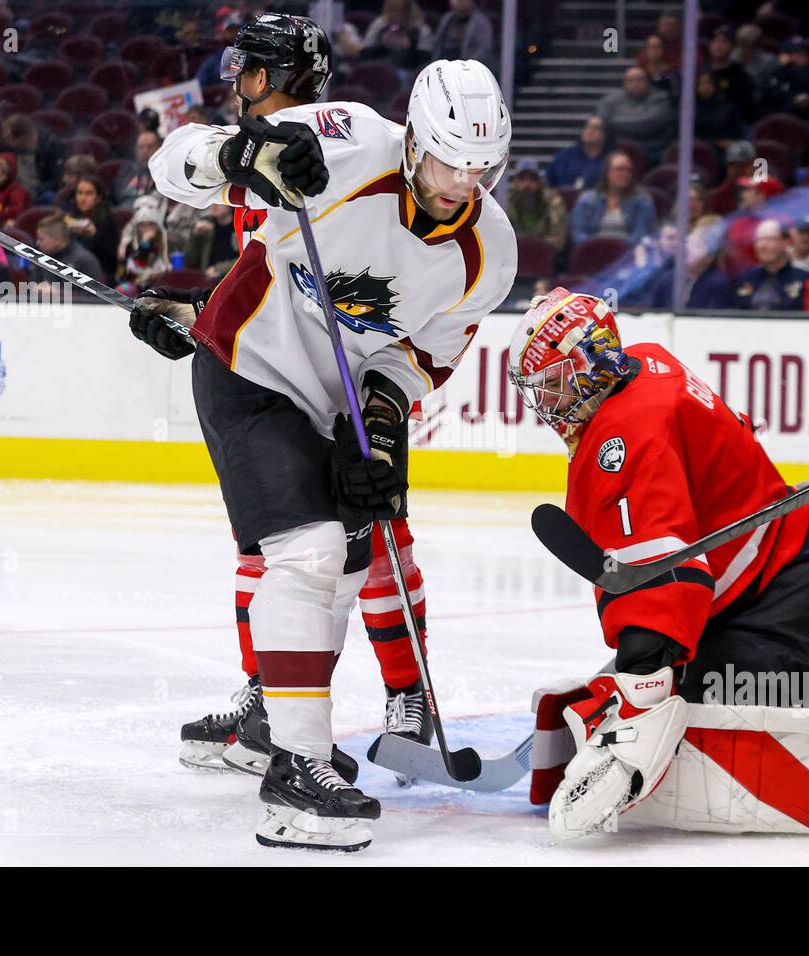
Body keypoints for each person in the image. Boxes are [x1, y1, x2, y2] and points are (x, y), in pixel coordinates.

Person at [141, 15, 516, 851]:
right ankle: (297, 773)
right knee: (308, 552)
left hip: (337, 402)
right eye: (449, 159)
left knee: (350, 558)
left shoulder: (492, 250)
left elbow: (423, 354)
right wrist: (244, 157)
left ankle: (274, 726)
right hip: (247, 365)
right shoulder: (346, 140)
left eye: (481, 168)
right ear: (415, 136)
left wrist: (379, 426)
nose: (462, 181)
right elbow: (175, 164)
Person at [506, 288, 809, 839]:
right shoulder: (647, 361)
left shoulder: (620, 435)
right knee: (600, 712)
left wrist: (643, 688)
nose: (547, 401)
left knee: (691, 739)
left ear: (592, 363)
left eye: (555, 382)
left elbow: (658, 570)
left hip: (789, 616)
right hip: (780, 588)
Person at [569, 149, 656, 248]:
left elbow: (640, 236)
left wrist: (613, 248)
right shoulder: (587, 199)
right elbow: (578, 234)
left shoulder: (643, 201)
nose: (625, 174)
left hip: (627, 256)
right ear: (607, 173)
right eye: (620, 169)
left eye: (629, 170)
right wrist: (597, 247)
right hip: (592, 253)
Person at [595, 66, 675, 167]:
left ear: (648, 81)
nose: (635, 84)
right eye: (630, 80)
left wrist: (615, 125)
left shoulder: (661, 98)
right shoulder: (610, 101)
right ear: (623, 83)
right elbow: (601, 124)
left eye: (640, 80)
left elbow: (650, 124)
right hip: (617, 153)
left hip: (655, 153)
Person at [734, 219, 809, 311]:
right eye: (758, 240)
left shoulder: (804, 279)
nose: (762, 245)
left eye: (769, 239)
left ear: (785, 243)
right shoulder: (746, 278)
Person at [60, 174, 118, 281]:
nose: (82, 198)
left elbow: (112, 262)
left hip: (97, 276)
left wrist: (94, 235)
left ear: (98, 198)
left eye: (88, 193)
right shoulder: (68, 218)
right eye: (80, 193)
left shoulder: (107, 222)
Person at [505, 158, 567, 253]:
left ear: (539, 182)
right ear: (516, 182)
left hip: (545, 254)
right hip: (515, 253)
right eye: (522, 179)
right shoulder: (507, 202)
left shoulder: (553, 202)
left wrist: (534, 243)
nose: (527, 184)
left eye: (532, 179)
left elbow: (559, 240)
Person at [29, 213, 104, 288]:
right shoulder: (42, 257)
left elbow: (94, 296)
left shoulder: (85, 260)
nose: (37, 243)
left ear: (57, 240)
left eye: (41, 239)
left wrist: (58, 293)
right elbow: (30, 287)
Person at [545, 115, 609, 191]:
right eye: (587, 127)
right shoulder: (565, 155)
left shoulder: (609, 160)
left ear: (605, 135)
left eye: (595, 128)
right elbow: (549, 181)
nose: (589, 131)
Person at [430, 0, 494, 68]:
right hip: (444, 63)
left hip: (468, 66)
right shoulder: (447, 18)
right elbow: (437, 42)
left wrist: (466, 65)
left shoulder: (480, 22)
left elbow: (484, 49)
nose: (458, 2)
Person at [113, 130, 162, 209]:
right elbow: (115, 197)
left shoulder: (164, 172)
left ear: (159, 148)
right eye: (141, 147)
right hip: (124, 211)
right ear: (136, 150)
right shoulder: (127, 171)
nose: (145, 150)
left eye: (150, 146)